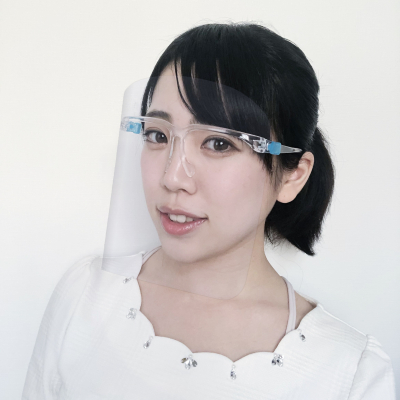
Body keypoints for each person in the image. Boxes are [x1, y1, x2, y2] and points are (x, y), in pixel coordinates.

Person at [22, 22, 396, 399]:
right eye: (158, 135)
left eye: (218, 143)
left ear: (292, 175)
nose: (172, 177)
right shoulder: (84, 296)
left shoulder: (349, 373)